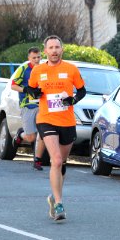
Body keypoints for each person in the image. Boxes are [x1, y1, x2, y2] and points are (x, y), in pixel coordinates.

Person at [28, 35, 86, 221]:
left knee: (62, 164)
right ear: (45, 51)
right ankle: (60, 204)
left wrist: (73, 100)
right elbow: (30, 88)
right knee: (57, 160)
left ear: (62, 50)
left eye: (57, 47)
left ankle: (54, 196)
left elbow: (82, 91)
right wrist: (35, 92)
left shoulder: (71, 69)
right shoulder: (38, 70)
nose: (54, 50)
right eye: (50, 47)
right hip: (46, 119)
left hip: (67, 121)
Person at [11, 47, 46, 171]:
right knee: (31, 137)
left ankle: (37, 161)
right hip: (28, 105)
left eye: (38, 57)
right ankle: (20, 135)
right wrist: (26, 90)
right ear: (29, 58)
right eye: (34, 58)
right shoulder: (24, 69)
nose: (37, 60)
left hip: (42, 105)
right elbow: (13, 86)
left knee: (42, 133)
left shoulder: (44, 68)